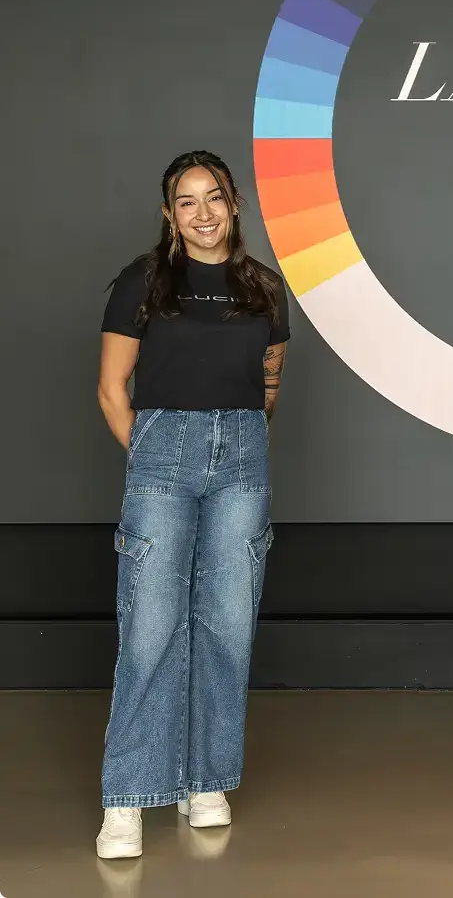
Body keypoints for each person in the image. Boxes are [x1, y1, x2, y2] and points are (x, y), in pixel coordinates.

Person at [94, 151, 289, 859]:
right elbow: (114, 389)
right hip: (162, 454)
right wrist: (154, 456)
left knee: (228, 625)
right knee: (151, 626)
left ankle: (205, 779)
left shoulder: (264, 288)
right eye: (186, 202)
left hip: (243, 457)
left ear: (234, 203)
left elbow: (268, 385)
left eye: (214, 199)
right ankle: (126, 798)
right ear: (169, 213)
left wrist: (234, 442)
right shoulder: (143, 283)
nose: (202, 214)